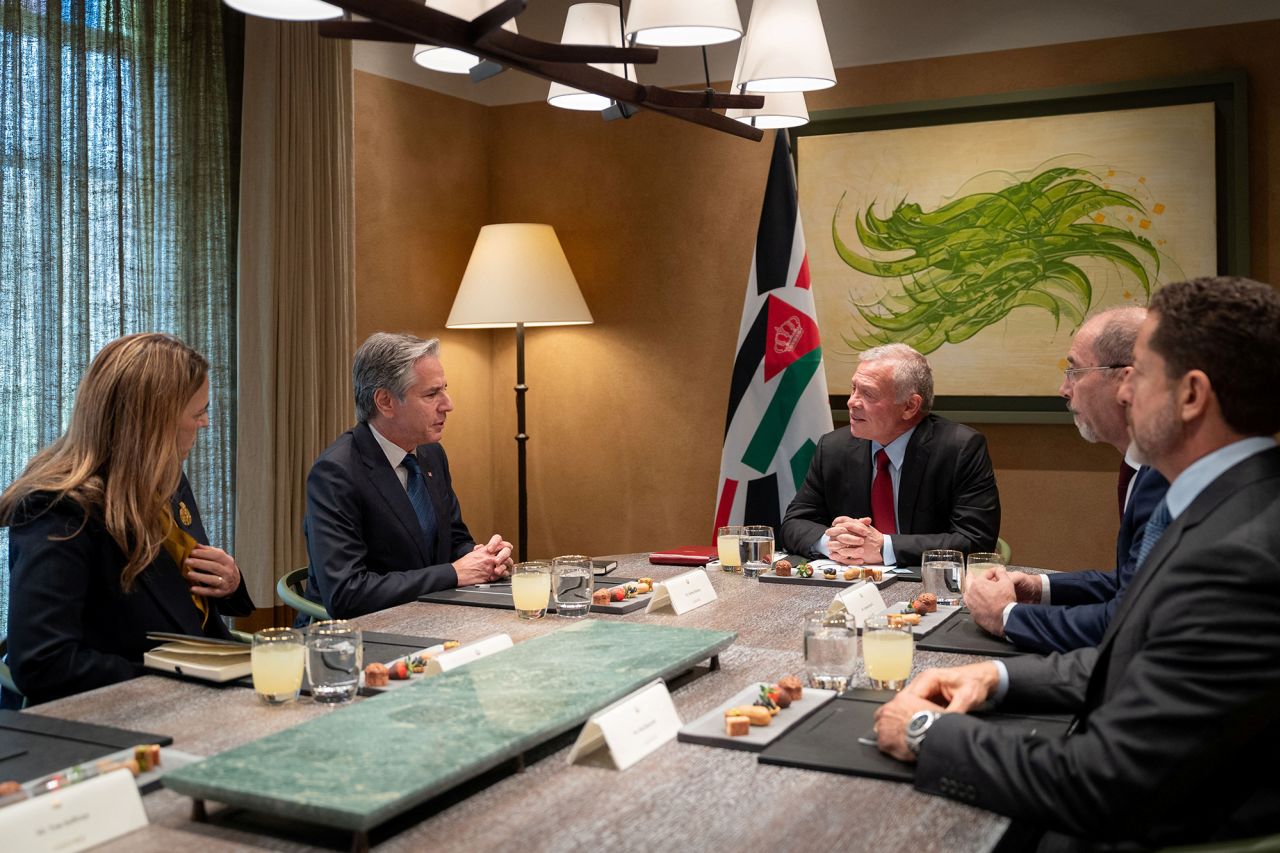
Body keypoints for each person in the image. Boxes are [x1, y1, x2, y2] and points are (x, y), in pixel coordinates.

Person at [874, 277, 1280, 847]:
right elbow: (1137, 659)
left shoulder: (1239, 556)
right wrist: (997, 675)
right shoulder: (1226, 504)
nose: (1121, 393)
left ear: (1191, 395)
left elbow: (1103, 782)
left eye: (1138, 373)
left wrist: (925, 733)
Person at [1, 333, 254, 707]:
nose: (206, 424)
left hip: (210, 689)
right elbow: (44, 663)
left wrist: (229, 583)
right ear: (154, 424)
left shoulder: (167, 478)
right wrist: (177, 680)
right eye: (198, 412)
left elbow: (183, 599)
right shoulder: (57, 508)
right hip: (126, 719)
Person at [965, 307, 1170, 652]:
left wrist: (1006, 616)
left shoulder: (1167, 475)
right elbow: (1130, 583)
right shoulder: (1145, 465)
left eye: (1075, 371)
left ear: (1126, 380)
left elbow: (1126, 623)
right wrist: (1040, 586)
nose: (1064, 389)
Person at [302, 332, 512, 620]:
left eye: (444, 390)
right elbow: (347, 593)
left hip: (431, 617)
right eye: (431, 394)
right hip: (358, 637)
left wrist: (484, 557)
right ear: (386, 402)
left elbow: (453, 542)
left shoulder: (430, 454)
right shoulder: (336, 473)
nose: (448, 404)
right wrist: (454, 573)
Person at [780, 343, 1000, 567]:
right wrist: (835, 542)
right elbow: (794, 522)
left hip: (924, 589)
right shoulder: (834, 447)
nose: (852, 402)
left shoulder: (959, 449)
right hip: (850, 590)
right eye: (853, 388)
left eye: (868, 393)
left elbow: (975, 541)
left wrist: (884, 547)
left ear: (910, 406)